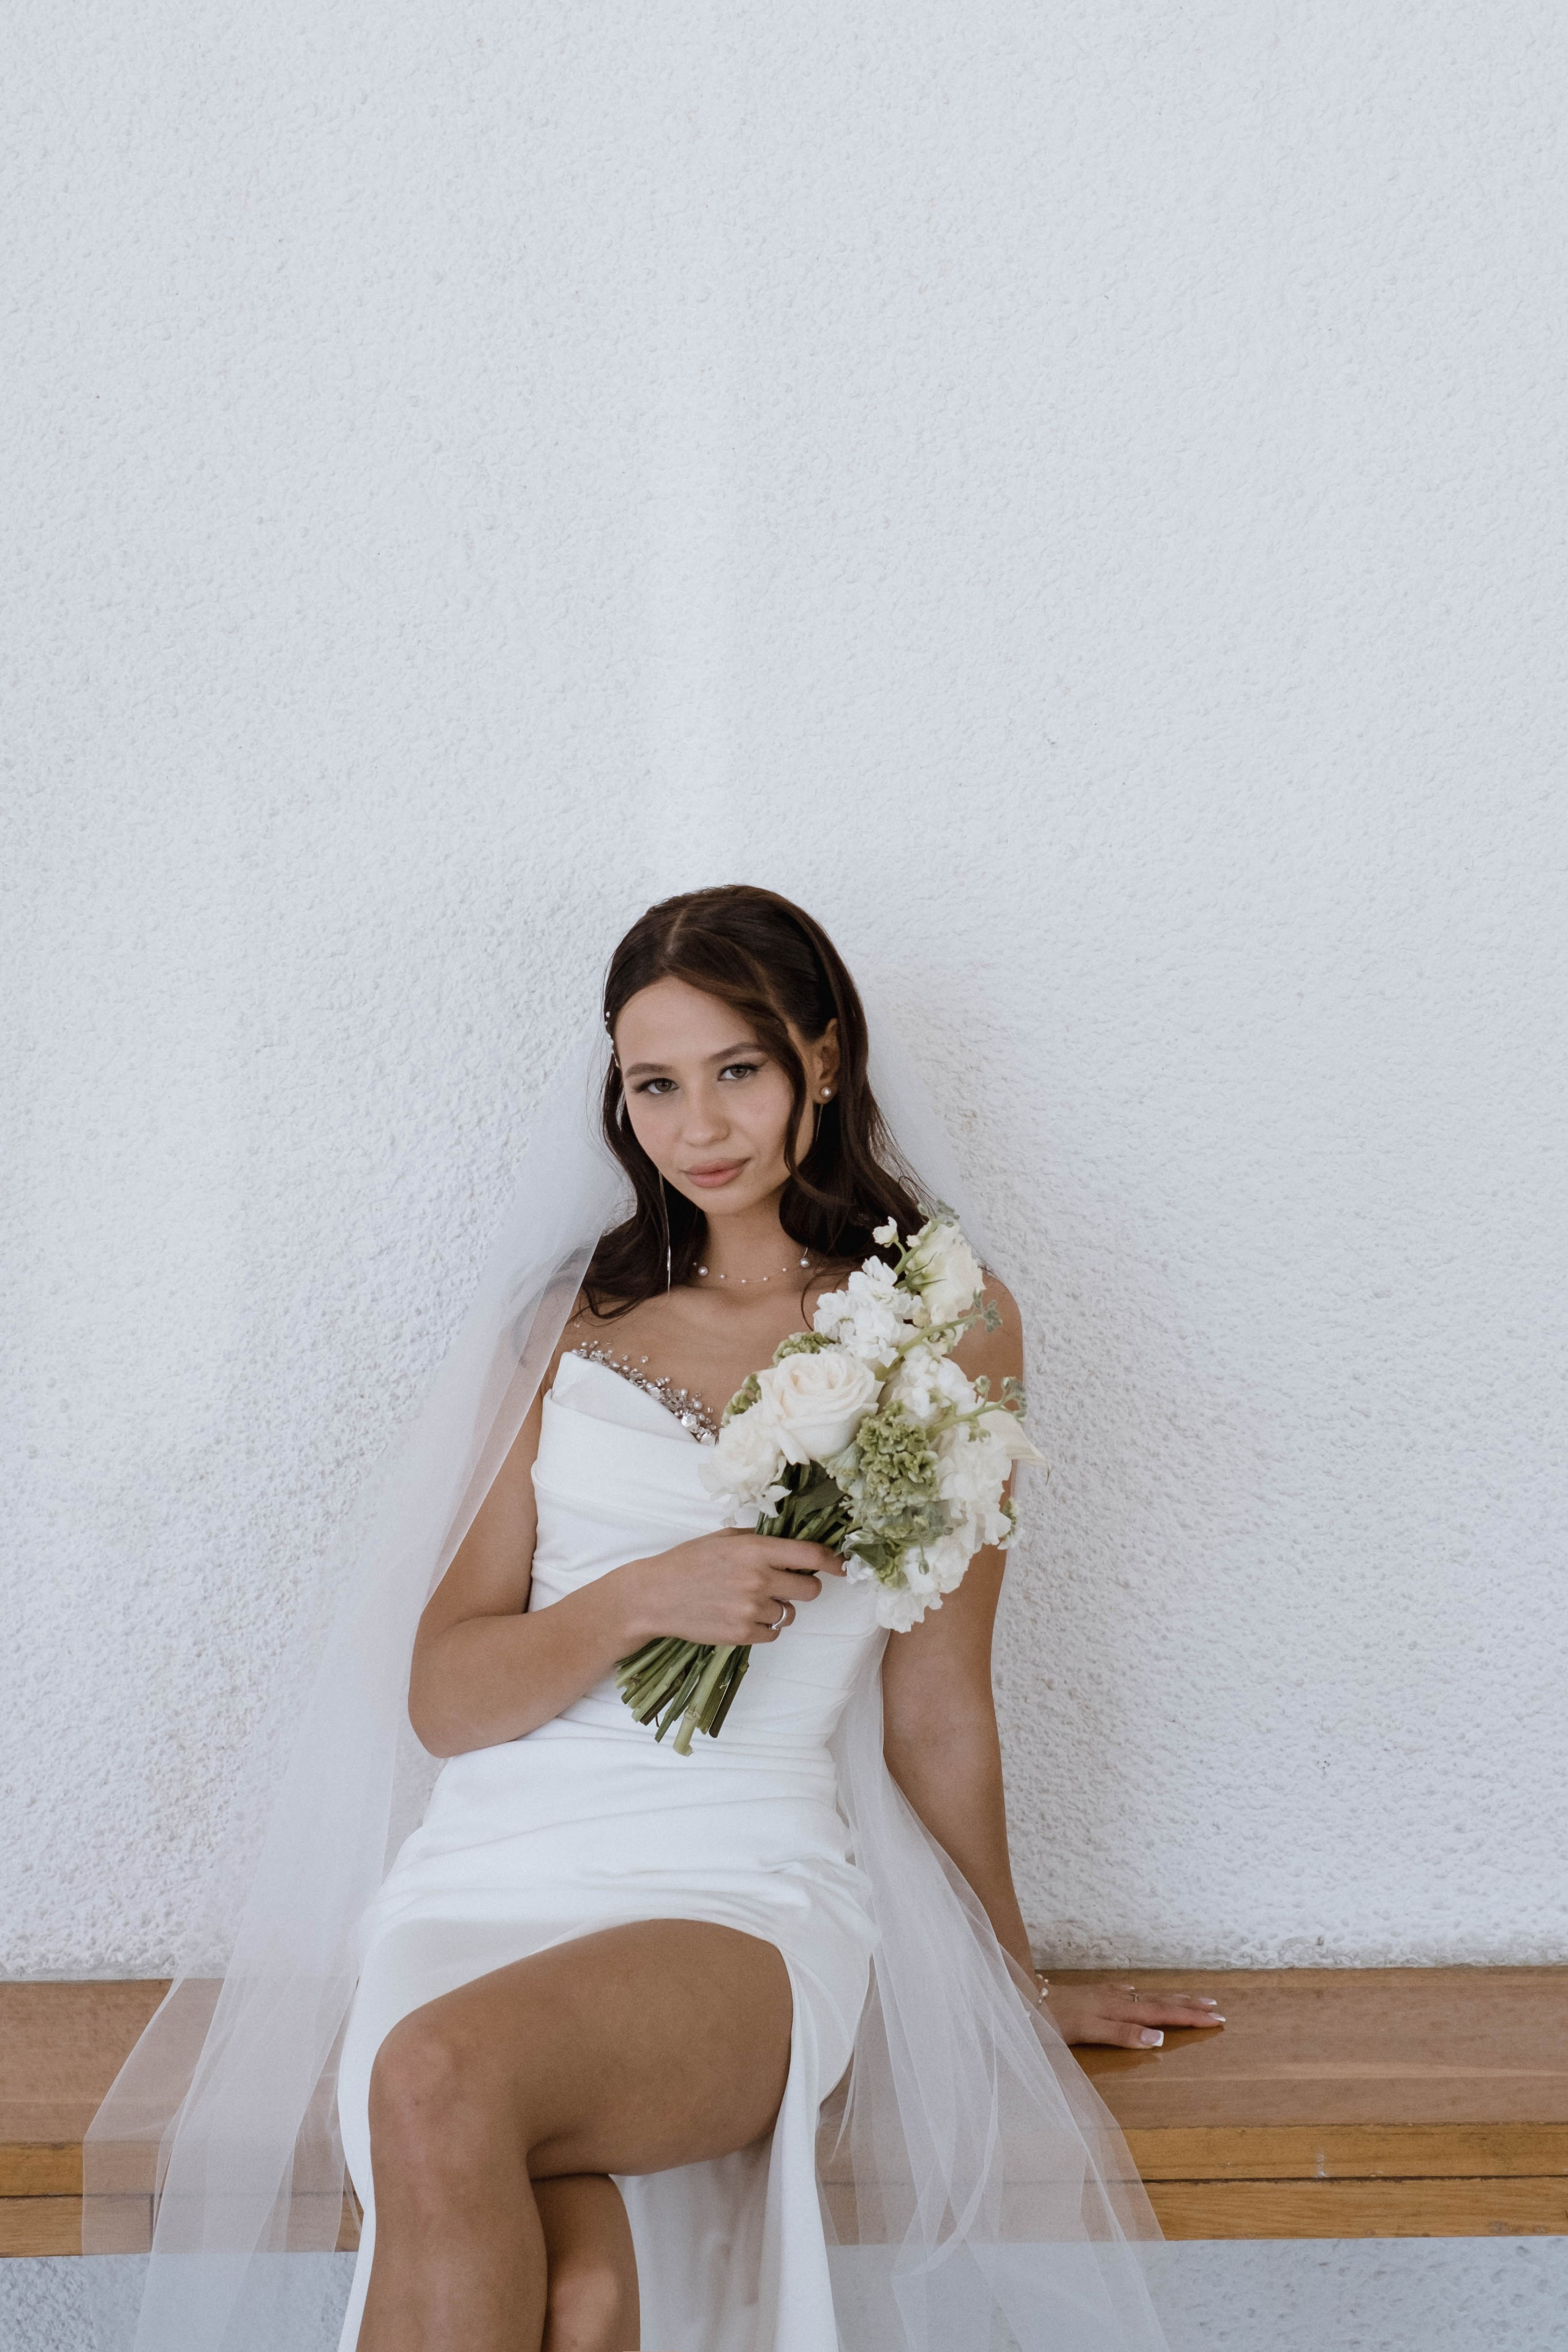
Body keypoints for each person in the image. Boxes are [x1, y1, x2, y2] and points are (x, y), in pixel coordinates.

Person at [86, 885, 1219, 2352]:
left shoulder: (948, 1325)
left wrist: (1005, 1992)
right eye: (654, 1085)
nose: (698, 1126)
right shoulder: (569, 1322)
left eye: (736, 1069)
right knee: (576, 2294)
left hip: (735, 1888)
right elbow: (446, 1698)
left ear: (822, 1058)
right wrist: (641, 1598)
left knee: (435, 2077)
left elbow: (939, 1706)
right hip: (481, 1879)